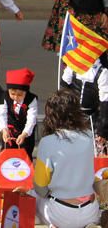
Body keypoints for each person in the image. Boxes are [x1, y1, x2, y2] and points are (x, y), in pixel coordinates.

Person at [33, 89, 101, 227]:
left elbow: (40, 186)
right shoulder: (88, 136)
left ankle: (54, 225)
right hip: (90, 211)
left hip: (60, 213)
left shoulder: (47, 142)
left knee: (33, 193)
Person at [0, 68, 38, 159]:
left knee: (25, 154)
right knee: (7, 152)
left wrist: (24, 134)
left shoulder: (31, 99)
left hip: (25, 131)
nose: (15, 97)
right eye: (12, 94)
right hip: (10, 130)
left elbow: (32, 119)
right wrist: (4, 129)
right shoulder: (5, 97)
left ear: (25, 92)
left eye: (19, 95)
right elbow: (2, 114)